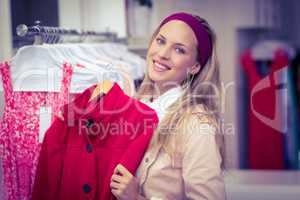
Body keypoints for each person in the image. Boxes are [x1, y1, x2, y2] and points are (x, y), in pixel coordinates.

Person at [110, 12, 226, 200]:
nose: (162, 54)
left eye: (179, 50)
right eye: (160, 41)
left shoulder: (197, 125)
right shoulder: (135, 105)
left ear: (195, 66)